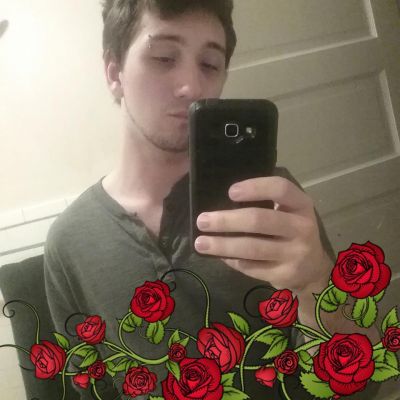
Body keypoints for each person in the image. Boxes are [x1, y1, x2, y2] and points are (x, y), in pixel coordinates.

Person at [44, 1, 378, 399]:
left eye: (209, 64)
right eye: (164, 57)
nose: (192, 87)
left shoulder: (270, 201)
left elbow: (362, 384)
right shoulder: (69, 243)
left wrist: (317, 284)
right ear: (114, 72)